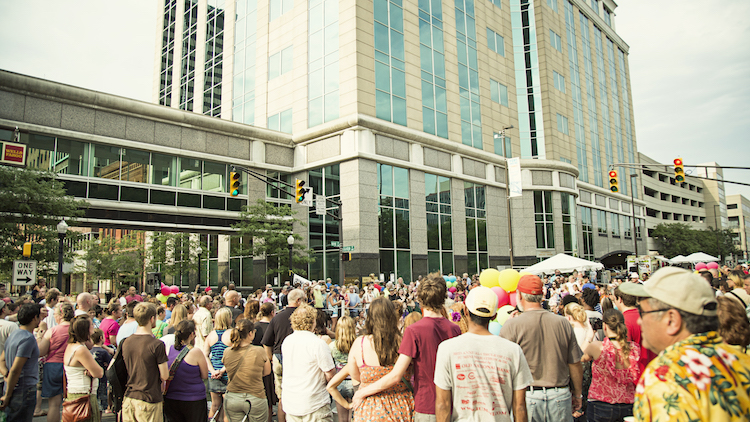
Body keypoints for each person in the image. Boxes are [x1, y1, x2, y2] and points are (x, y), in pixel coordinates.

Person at [619, 267, 750, 420]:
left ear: (672, 320)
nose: (640, 320)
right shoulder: (740, 359)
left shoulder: (667, 375)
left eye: (643, 312)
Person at [353, 273, 460, 420]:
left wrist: (362, 392)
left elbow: (396, 375)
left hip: (426, 404)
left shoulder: (414, 330)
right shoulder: (454, 329)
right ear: (443, 298)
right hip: (451, 403)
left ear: (420, 299)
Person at [434, 286, 533, 422]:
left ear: (465, 311)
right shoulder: (513, 350)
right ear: (494, 316)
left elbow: (442, 405)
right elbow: (520, 406)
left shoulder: (447, 349)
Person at [500, 275, 584, 422]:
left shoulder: (512, 325)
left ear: (519, 295)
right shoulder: (562, 323)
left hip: (527, 396)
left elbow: (502, 365)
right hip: (559, 394)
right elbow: (575, 363)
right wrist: (578, 394)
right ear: (542, 295)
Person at [327, 297, 414, 422]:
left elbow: (356, 378)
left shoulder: (360, 344)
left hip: (369, 409)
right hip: (401, 406)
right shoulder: (404, 341)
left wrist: (348, 405)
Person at [581, 309, 641, 422]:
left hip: (601, 404)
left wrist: (589, 336)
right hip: (628, 404)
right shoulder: (635, 349)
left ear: (604, 326)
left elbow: (580, 357)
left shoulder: (597, 347)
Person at [280, 305, 336, 421]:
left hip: (291, 401)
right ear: (313, 321)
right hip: (314, 402)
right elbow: (330, 374)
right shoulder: (318, 343)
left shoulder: (287, 341)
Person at [119, 302, 169, 422]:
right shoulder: (157, 345)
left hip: (129, 397)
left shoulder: (126, 342)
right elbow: (165, 375)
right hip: (149, 399)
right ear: (152, 319)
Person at [261, 288, 305, 422]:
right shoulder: (304, 317)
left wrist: (271, 358)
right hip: (298, 360)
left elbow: (267, 342)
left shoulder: (277, 317)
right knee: (299, 395)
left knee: (282, 398)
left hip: (278, 357)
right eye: (305, 300)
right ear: (298, 301)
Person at [0, 304, 43, 422]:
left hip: (12, 387)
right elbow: (16, 368)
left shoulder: (13, 334)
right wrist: (8, 395)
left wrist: (6, 375)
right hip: (24, 389)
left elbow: (2, 360)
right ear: (35, 318)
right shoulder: (28, 338)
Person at [223, 319, 271, 422]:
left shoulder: (227, 352)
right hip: (255, 397)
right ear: (250, 333)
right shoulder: (259, 351)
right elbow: (267, 372)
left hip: (233, 397)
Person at [164, 320, 209, 422]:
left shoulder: (169, 349)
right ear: (192, 334)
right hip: (193, 398)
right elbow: (205, 375)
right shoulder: (195, 352)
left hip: (172, 398)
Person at [63, 315, 104, 422]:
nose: (94, 327)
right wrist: (93, 371)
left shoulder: (72, 345)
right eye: (91, 324)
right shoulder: (81, 350)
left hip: (75, 393)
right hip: (83, 395)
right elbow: (99, 373)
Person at [38, 302, 75, 422]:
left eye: (55, 314)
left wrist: (39, 337)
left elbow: (41, 352)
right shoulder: (76, 329)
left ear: (61, 314)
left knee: (54, 405)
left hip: (53, 366)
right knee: (72, 401)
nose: (54, 316)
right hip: (72, 365)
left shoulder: (52, 331)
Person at [613, 285, 656, 372]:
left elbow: (624, 353)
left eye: (615, 299)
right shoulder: (647, 316)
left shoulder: (623, 322)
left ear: (620, 299)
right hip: (652, 368)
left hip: (636, 373)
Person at [203, 307, 232, 422]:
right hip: (227, 374)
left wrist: (213, 371)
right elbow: (235, 356)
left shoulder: (211, 335)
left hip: (213, 374)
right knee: (227, 407)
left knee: (215, 405)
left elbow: (205, 355)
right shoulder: (232, 334)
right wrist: (223, 370)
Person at [329, 316, 357, 422]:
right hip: (354, 382)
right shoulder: (357, 344)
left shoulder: (332, 346)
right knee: (354, 417)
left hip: (339, 382)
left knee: (341, 418)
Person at [253, 302, 277, 422]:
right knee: (268, 394)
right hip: (268, 363)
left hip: (254, 364)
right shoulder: (273, 327)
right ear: (272, 312)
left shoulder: (254, 326)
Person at [90, 329, 113, 415]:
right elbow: (110, 363)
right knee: (102, 396)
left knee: (94, 397)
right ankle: (105, 408)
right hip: (102, 378)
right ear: (101, 338)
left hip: (92, 378)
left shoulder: (89, 350)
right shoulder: (103, 352)